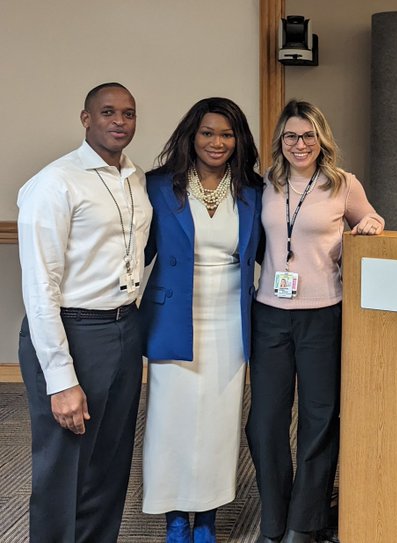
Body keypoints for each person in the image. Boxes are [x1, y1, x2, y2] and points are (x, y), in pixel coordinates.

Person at [17, 82, 151, 543]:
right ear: (86, 118)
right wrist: (61, 378)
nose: (120, 121)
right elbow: (39, 289)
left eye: (129, 113)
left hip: (124, 327)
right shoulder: (55, 182)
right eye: (108, 112)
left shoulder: (134, 177)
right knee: (65, 465)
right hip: (73, 330)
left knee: (110, 463)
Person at [247, 100, 384, 543]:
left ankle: (304, 523)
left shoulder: (342, 184)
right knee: (265, 420)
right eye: (291, 136)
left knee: (319, 418)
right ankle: (274, 517)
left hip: (323, 314)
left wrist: (370, 226)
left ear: (321, 139)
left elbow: (370, 219)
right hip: (269, 314)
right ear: (280, 142)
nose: (300, 144)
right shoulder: (264, 184)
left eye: (308, 135)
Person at [139, 97, 263, 543]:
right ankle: (175, 519)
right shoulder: (157, 185)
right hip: (174, 316)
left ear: (239, 140)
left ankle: (207, 519)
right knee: (169, 421)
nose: (217, 142)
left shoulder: (253, 190)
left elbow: (279, 248)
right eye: (208, 133)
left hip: (231, 320)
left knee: (218, 422)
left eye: (227, 134)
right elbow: (136, 254)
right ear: (192, 135)